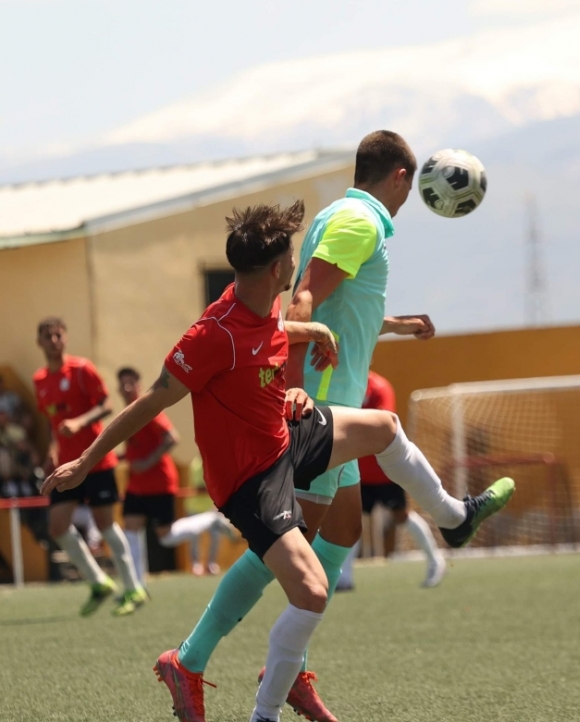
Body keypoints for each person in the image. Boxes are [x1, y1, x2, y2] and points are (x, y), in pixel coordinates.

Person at [42, 201, 514, 722]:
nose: (297, 260)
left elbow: (270, 333)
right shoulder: (211, 334)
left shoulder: (261, 300)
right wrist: (85, 462)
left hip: (286, 436)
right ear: (277, 268)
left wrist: (315, 333)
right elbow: (153, 398)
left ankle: (453, 518)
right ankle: (258, 711)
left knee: (383, 427)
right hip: (251, 481)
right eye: (292, 254)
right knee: (312, 593)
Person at [187, 130, 441, 722]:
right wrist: (296, 383)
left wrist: (399, 325)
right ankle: (197, 659)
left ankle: (288, 662)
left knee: (343, 530)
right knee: (285, 544)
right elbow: (301, 304)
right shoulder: (362, 222)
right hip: (323, 404)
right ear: (401, 177)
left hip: (335, 397)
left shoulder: (337, 213)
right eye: (409, 188)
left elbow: (339, 313)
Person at [33, 318, 144, 616]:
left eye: (58, 334)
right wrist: (51, 451)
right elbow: (50, 422)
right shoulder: (40, 380)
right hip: (66, 467)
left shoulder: (82, 370)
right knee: (57, 526)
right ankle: (99, 582)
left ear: (65, 338)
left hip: (95, 461)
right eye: (47, 336)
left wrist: (80, 422)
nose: (53, 339)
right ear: (39, 342)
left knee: (105, 523)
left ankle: (133, 588)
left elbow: (107, 404)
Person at [117, 367, 235, 585]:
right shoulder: (128, 412)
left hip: (159, 484)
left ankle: (210, 521)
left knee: (166, 536)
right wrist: (123, 458)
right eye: (122, 384)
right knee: (130, 528)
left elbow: (172, 438)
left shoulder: (147, 409)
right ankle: (136, 584)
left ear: (139, 385)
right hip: (136, 485)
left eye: (130, 383)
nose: (126, 388)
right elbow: (138, 447)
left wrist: (147, 462)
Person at [340, 370, 446, 590]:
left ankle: (436, 560)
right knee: (351, 522)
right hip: (357, 470)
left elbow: (381, 425)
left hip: (385, 471)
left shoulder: (379, 387)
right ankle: (345, 577)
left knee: (402, 516)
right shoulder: (345, 383)